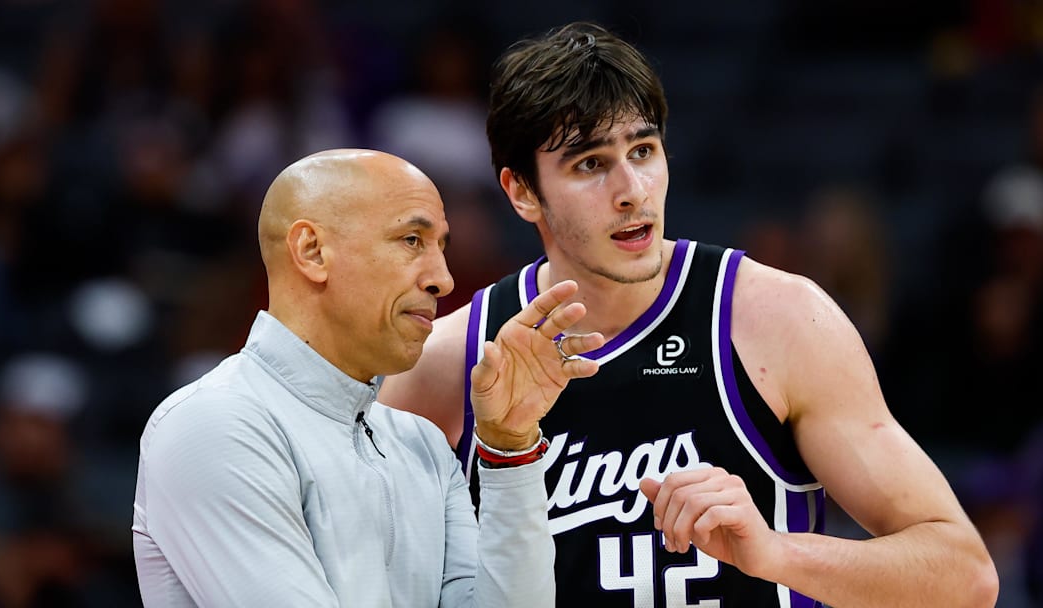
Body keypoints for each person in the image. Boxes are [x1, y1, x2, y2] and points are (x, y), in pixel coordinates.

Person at [378, 22, 1000, 608]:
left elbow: (964, 575)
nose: (632, 190)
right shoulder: (447, 366)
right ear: (520, 192)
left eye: (643, 150)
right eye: (590, 164)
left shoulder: (777, 321)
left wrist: (777, 554)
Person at [131, 148, 605, 606]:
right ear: (312, 251)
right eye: (411, 240)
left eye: (441, 246)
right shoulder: (215, 425)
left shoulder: (423, 445)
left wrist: (509, 447)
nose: (443, 279)